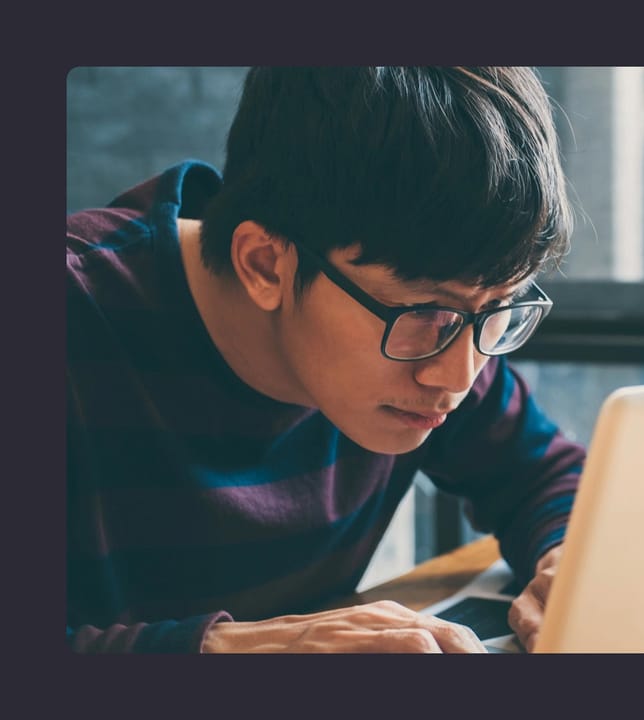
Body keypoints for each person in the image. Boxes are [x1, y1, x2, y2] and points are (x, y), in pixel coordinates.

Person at [66, 67, 584, 653]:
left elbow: (542, 471)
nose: (459, 376)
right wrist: (233, 651)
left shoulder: (450, 326)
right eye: (422, 312)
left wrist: (569, 561)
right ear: (265, 264)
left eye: (500, 307)